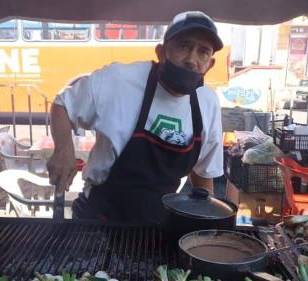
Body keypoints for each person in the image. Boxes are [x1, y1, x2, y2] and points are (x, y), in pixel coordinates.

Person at [48, 11, 224, 224]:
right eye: (183, 46)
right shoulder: (118, 80)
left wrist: (207, 226)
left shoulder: (207, 102)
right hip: (100, 218)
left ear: (210, 64)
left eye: (203, 51)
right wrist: (63, 150)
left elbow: (204, 174)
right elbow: (62, 105)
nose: (191, 60)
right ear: (161, 52)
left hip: (159, 224)